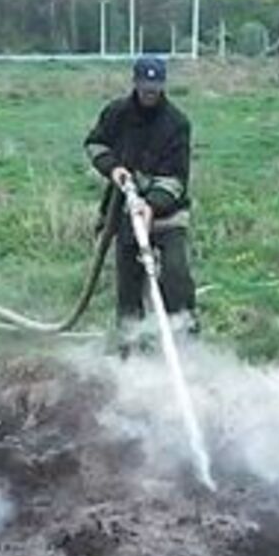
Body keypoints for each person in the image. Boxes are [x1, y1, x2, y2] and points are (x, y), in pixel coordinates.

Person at [83, 54, 196, 349]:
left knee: (175, 274)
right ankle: (130, 349)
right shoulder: (116, 113)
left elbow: (176, 178)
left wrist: (152, 206)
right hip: (124, 210)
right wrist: (113, 168)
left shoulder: (177, 124)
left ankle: (185, 338)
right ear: (135, 83)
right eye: (145, 86)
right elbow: (95, 144)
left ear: (162, 86)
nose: (149, 92)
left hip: (167, 212)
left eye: (155, 87)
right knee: (129, 284)